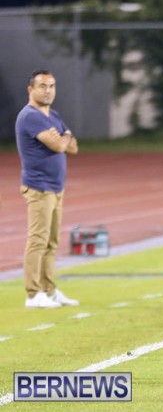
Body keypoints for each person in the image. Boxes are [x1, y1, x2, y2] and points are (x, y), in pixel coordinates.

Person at [15, 69, 80, 309]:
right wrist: (64, 138)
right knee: (38, 241)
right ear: (30, 89)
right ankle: (33, 294)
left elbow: (73, 147)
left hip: (55, 187)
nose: (48, 90)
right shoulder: (30, 116)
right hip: (39, 187)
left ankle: (49, 290)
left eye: (51, 86)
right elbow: (60, 146)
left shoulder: (53, 115)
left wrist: (64, 137)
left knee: (51, 243)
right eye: (42, 86)